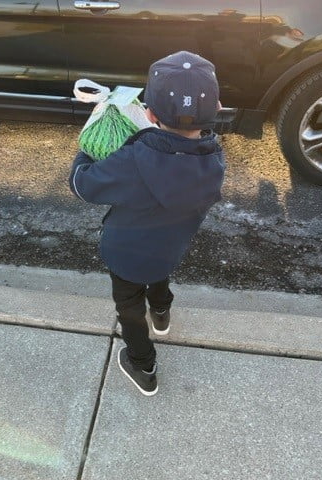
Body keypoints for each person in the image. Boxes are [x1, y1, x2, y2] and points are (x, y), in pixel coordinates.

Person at [69, 51, 225, 396]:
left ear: (149, 112)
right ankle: (162, 314)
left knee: (128, 305)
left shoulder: (134, 158)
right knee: (157, 276)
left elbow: (84, 185)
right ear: (216, 108)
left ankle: (143, 364)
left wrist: (86, 149)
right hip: (169, 247)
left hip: (125, 251)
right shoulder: (214, 160)